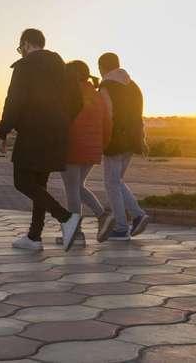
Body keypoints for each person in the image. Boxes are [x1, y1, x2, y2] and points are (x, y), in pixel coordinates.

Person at [0, 28, 83, 250]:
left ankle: (66, 218)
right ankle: (34, 237)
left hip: (33, 133)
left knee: (22, 181)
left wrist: (3, 130)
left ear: (26, 44)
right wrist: (62, 121)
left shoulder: (25, 66)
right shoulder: (63, 69)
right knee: (39, 184)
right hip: (57, 134)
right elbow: (78, 102)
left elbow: (14, 100)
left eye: (20, 48)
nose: (21, 52)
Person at [98, 52, 149, 241]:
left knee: (111, 183)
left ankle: (122, 226)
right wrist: (142, 139)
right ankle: (136, 216)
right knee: (117, 181)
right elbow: (139, 116)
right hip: (133, 139)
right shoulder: (134, 86)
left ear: (102, 67)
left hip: (115, 140)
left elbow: (107, 114)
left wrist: (103, 140)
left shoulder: (107, 86)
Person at [58, 60, 109, 246]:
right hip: (93, 147)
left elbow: (62, 120)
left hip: (73, 146)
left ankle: (77, 233)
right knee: (78, 186)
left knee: (72, 190)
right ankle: (102, 216)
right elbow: (107, 122)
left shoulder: (69, 93)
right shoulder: (96, 94)